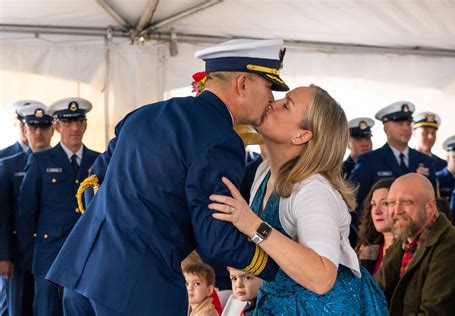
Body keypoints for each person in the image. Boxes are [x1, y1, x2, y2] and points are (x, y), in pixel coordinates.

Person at [45, 38, 288, 315]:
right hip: (135, 287)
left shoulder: (144, 115)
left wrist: (121, 225)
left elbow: (93, 185)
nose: (272, 99)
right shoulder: (221, 139)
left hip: (82, 272)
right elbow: (216, 239)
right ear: (242, 84)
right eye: (269, 87)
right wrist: (281, 267)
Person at [209, 85, 388, 314]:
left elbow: (322, 278)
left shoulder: (313, 189)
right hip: (280, 302)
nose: (273, 102)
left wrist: (253, 225)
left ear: (302, 136)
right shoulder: (265, 172)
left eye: (286, 105)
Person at [18, 98, 99, 316]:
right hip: (49, 255)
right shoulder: (41, 161)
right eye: (68, 122)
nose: (75, 128)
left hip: (86, 254)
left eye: (79, 121)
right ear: (56, 126)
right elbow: (26, 213)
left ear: (85, 125)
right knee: (46, 311)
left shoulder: (99, 160)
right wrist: (30, 258)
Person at [377, 173, 455, 315]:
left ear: (430, 207)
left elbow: (433, 313)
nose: (396, 211)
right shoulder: (402, 244)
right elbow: (374, 296)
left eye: (407, 202)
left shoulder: (452, 248)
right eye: (391, 203)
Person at [349, 101, 437, 245]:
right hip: (379, 239)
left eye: (408, 124)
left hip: (418, 238)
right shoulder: (370, 160)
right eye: (400, 124)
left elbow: (433, 200)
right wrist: (369, 232)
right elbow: (353, 200)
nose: (406, 128)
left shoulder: (424, 160)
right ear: (386, 128)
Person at [0, 103, 54, 316]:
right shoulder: (8, 163)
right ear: (23, 128)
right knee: (16, 306)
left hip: (46, 248)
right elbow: (3, 215)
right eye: (32, 127)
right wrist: (3, 255)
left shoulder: (56, 160)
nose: (38, 132)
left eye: (43, 127)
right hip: (16, 252)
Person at [356, 178, 395, 276]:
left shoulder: (410, 249)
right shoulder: (365, 249)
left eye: (385, 203)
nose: (377, 211)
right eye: (373, 204)